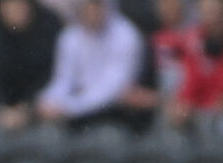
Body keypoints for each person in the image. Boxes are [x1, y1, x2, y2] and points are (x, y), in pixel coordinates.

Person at [36, 0, 155, 131]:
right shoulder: (69, 36)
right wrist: (49, 100)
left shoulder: (126, 36)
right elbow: (63, 80)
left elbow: (113, 89)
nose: (93, 13)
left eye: (97, 7)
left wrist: (67, 107)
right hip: (77, 109)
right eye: (88, 8)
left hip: (115, 111)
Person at [164, 0, 223, 137]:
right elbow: (183, 91)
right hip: (195, 120)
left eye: (218, 14)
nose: (213, 20)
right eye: (208, 14)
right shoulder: (188, 43)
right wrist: (179, 106)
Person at [0, 0, 64, 130]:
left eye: (19, 4)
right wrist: (2, 108)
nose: (15, 10)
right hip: (9, 111)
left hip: (43, 105)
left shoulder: (49, 29)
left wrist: (28, 107)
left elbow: (57, 76)